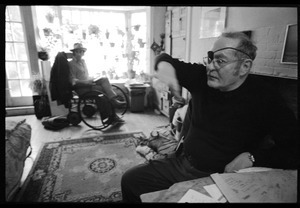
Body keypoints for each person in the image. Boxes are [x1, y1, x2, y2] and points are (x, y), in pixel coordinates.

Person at [121, 31, 298, 202]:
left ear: (245, 66)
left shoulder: (266, 98)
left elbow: (294, 149)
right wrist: (162, 65)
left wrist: (253, 157)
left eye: (220, 61)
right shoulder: (201, 77)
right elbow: (164, 59)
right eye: (211, 58)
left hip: (220, 178)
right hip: (182, 162)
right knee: (131, 180)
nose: (211, 66)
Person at [68, 43, 125, 123]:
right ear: (74, 53)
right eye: (78, 51)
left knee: (104, 79)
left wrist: (91, 78)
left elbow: (85, 75)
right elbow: (73, 81)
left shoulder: (83, 62)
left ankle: (113, 109)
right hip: (81, 88)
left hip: (89, 85)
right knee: (102, 92)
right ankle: (110, 115)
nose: (81, 53)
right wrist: (86, 82)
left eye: (82, 51)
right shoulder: (71, 64)